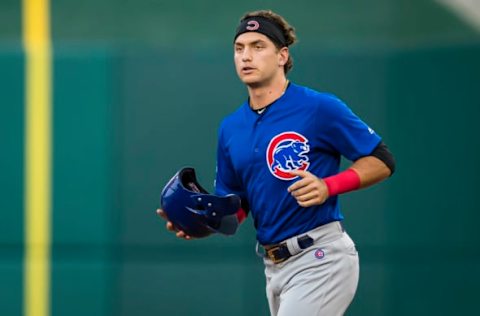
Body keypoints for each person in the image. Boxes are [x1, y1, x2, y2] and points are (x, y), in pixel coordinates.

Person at [157, 9, 395, 316]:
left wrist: (328, 185)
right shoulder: (231, 127)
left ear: (282, 55)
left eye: (258, 46)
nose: (246, 56)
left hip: (320, 257)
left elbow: (382, 159)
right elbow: (238, 204)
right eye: (239, 48)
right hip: (274, 268)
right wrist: (203, 221)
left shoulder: (318, 107)